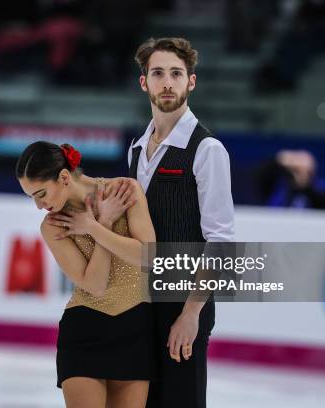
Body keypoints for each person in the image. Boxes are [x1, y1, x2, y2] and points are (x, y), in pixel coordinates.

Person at [129, 38, 235, 407]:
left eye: (176, 74)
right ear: (144, 83)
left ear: (191, 81)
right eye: (158, 73)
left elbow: (221, 241)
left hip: (184, 303)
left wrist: (192, 313)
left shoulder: (207, 150)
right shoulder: (136, 148)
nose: (167, 82)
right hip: (141, 305)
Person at [16, 141, 156, 407]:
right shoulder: (54, 225)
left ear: (64, 177)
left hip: (135, 329)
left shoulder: (124, 190)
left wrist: (93, 227)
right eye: (32, 197)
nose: (38, 205)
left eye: (41, 194)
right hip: (85, 331)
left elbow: (147, 258)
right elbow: (95, 285)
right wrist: (103, 223)